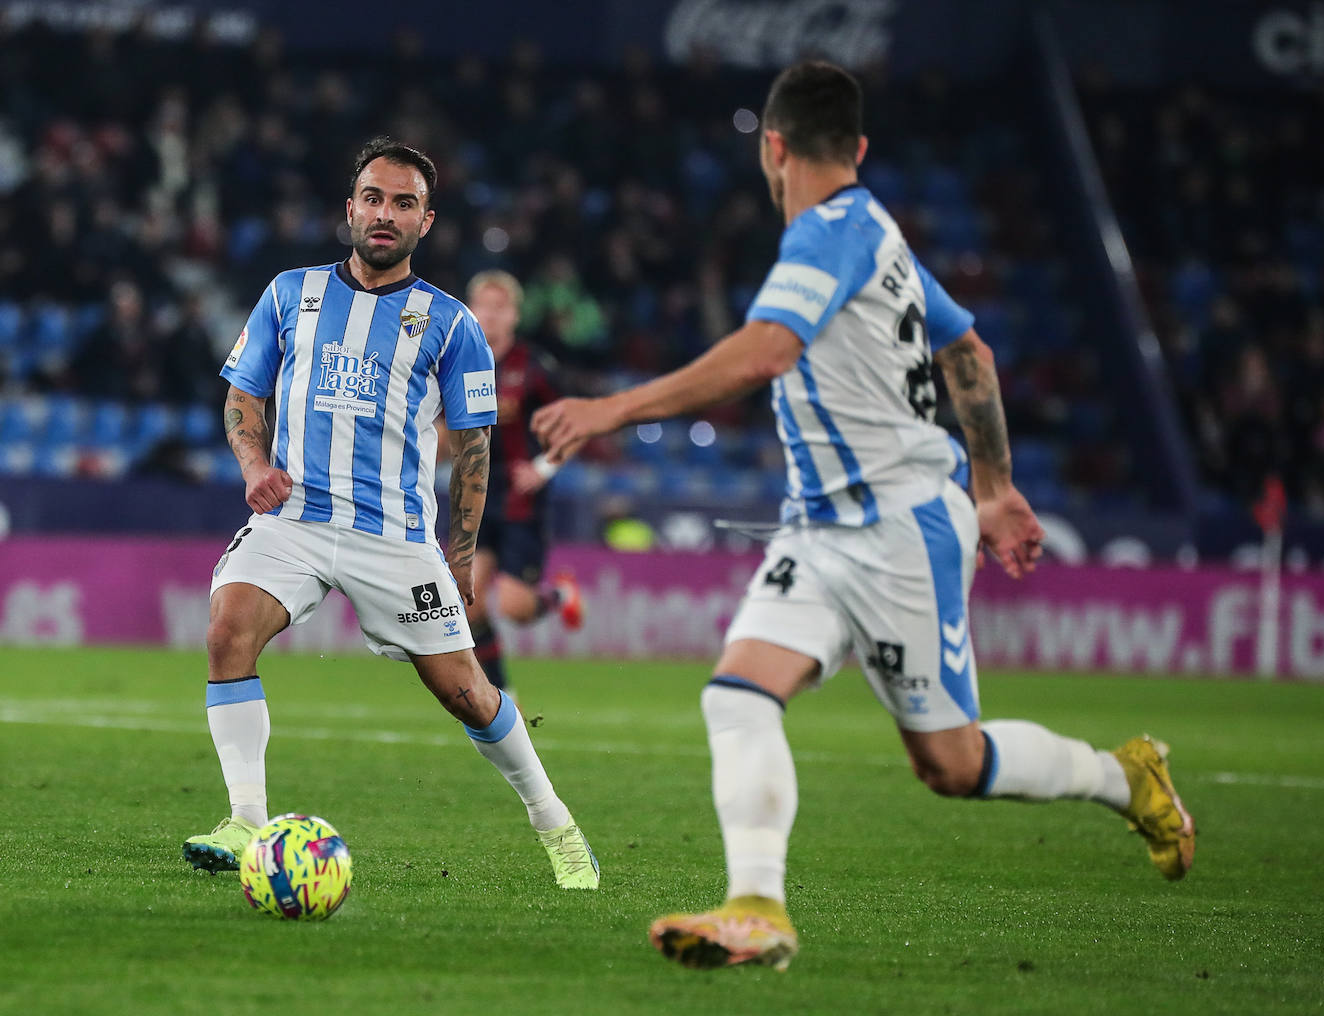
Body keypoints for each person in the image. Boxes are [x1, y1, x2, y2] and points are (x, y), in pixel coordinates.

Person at [533, 62, 1193, 968]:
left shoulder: (827, 237)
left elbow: (765, 352)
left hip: (898, 531)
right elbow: (969, 348)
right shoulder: (879, 231)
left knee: (951, 766)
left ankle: (1124, 776)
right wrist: (995, 487)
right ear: (859, 148)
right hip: (822, 526)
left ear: (773, 148)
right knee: (736, 694)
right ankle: (758, 906)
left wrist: (611, 408)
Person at [181, 137, 599, 890]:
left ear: (425, 221)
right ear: (350, 208)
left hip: (396, 538)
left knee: (467, 691)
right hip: (296, 519)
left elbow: (475, 451)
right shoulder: (288, 293)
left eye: (403, 203)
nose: (385, 214)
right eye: (373, 198)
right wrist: (253, 467)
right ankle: (246, 817)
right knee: (225, 629)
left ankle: (554, 822)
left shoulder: (452, 324)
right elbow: (244, 396)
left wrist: (462, 556)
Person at [454, 270, 583, 697]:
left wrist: (543, 468)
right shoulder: (457, 360)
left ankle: (558, 595)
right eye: (483, 306)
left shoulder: (535, 368)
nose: (489, 315)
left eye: (499, 307)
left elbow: (572, 427)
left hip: (520, 502)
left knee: (513, 607)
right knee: (467, 604)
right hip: (474, 495)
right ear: (471, 311)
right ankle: (502, 695)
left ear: (514, 315)